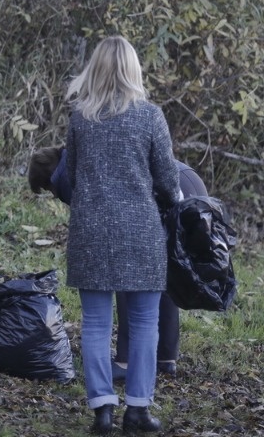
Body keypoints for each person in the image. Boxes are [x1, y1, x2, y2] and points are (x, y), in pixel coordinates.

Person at [63, 35, 181, 434]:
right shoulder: (150, 116)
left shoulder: (80, 117)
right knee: (146, 322)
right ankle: (138, 409)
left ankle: (102, 410)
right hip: (141, 232)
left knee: (95, 323)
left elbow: (72, 176)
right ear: (133, 70)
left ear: (95, 68)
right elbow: (167, 180)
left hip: (90, 230)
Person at [29, 146, 207, 379]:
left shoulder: (68, 176)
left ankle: (125, 361)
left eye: (48, 189)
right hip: (189, 181)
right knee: (165, 275)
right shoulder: (87, 154)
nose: (53, 194)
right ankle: (166, 359)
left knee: (127, 276)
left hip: (167, 190)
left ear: (50, 176)